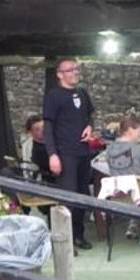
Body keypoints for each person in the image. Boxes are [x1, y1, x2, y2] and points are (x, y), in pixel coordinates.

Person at [43, 58, 95, 250]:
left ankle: (78, 235)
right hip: (65, 153)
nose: (75, 72)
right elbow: (48, 127)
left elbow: (90, 116)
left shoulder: (82, 92)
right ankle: (64, 240)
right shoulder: (54, 96)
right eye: (70, 70)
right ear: (60, 74)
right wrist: (52, 154)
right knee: (68, 197)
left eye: (76, 69)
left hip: (83, 152)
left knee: (83, 194)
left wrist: (89, 127)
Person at [105, 115, 140, 245]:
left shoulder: (109, 150)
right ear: (130, 130)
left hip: (118, 196)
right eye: (138, 131)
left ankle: (133, 222)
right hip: (139, 196)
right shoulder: (138, 149)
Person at [21, 114, 52, 180]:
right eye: (37, 129)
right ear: (31, 132)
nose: (42, 130)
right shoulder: (37, 152)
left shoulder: (52, 141)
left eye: (43, 126)